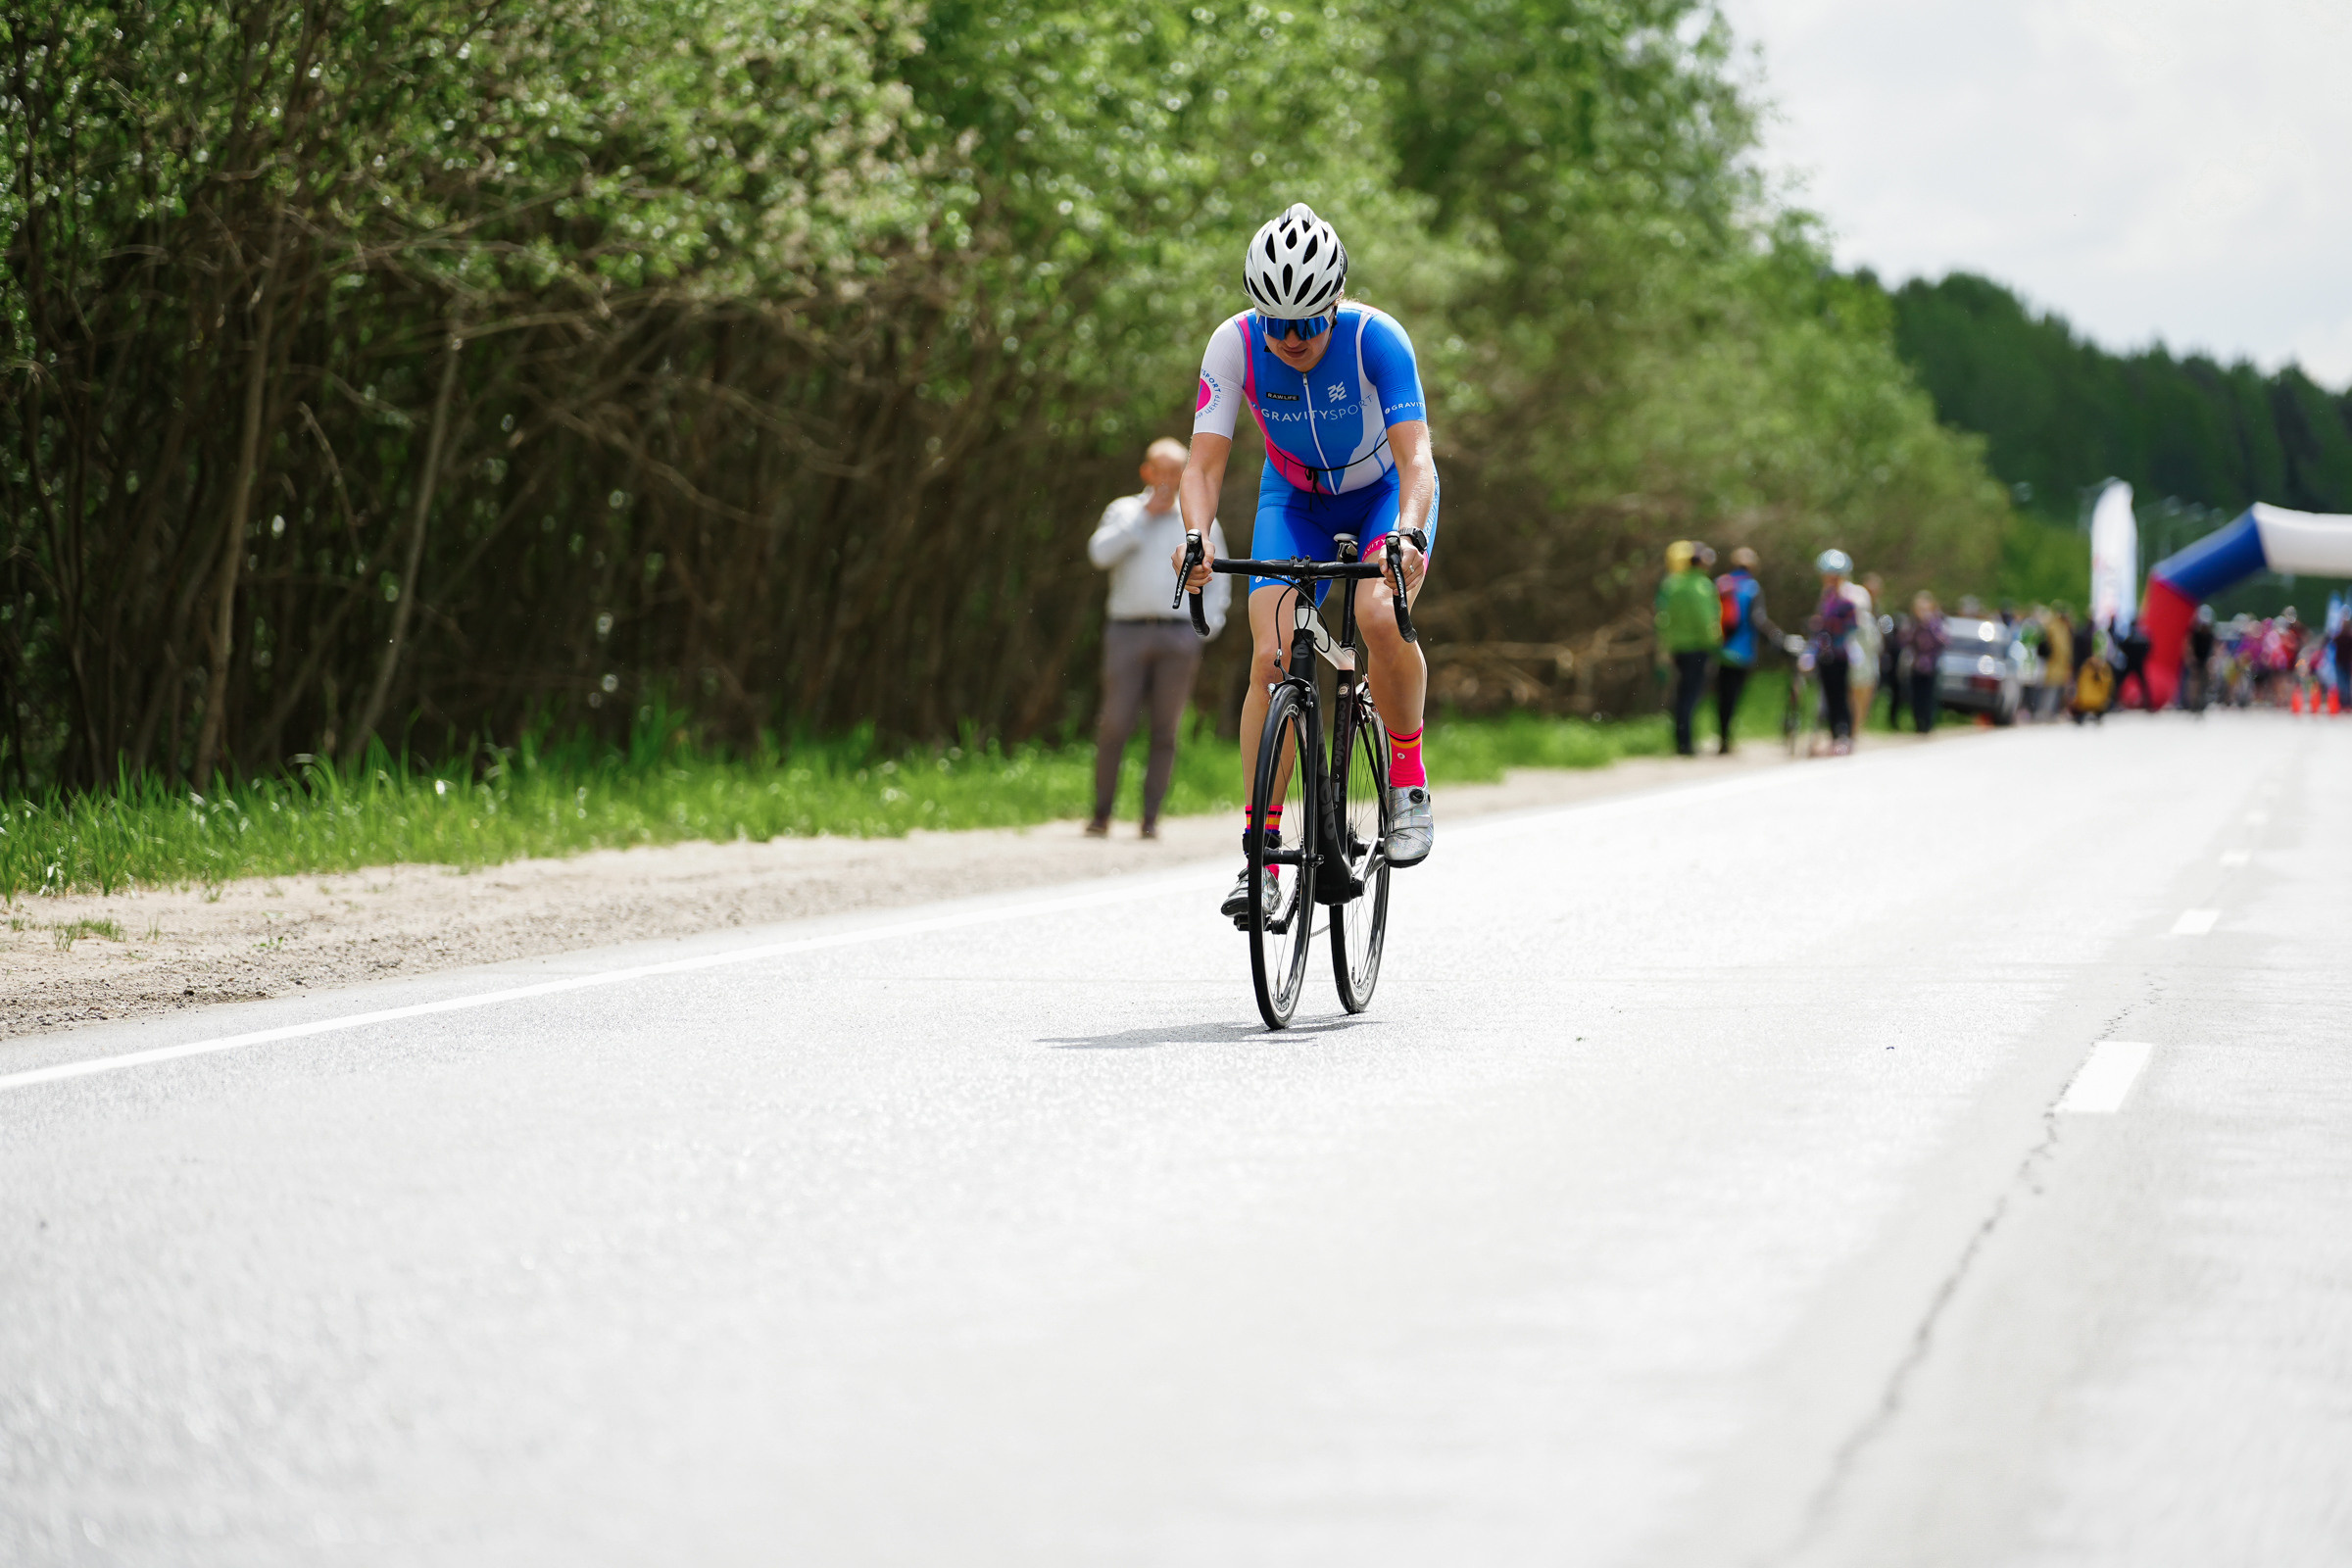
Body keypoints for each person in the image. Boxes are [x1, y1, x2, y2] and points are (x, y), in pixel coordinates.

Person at [1176, 204, 1441, 923]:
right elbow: (1202, 466)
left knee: (1377, 614)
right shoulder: (1232, 344)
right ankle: (1261, 857)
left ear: (1335, 304)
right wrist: (1197, 537)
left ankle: (1407, 781)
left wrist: (1408, 535)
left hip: (1384, 496)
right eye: (1276, 323)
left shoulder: (1376, 338)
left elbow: (1417, 458)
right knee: (1270, 655)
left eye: (1307, 323)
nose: (1290, 338)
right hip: (1293, 500)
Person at [1085, 438, 1231, 839]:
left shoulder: (1199, 521)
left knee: (1166, 729)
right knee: (1114, 723)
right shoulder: (1123, 510)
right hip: (1126, 631)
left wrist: (1209, 624)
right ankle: (1101, 814)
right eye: (1160, 471)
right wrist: (1143, 517)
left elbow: (1220, 578)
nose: (1167, 480)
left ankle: (1150, 819)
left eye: (1175, 472)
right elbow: (1099, 555)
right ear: (1146, 472)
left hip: (1179, 634)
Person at [1655, 540, 1721, 757]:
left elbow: (1663, 618)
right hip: (1698, 647)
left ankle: (1681, 741)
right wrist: (1714, 643)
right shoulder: (1702, 586)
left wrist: (1667, 644)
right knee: (1692, 695)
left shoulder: (1673, 585)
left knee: (1682, 693)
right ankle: (1687, 744)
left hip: (1678, 647)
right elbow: (1705, 621)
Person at [1713, 546, 1777, 754]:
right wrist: (1776, 638)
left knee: (1722, 695)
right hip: (1742, 651)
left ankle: (1722, 736)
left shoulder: (1721, 583)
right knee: (1734, 694)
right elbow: (1758, 619)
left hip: (1720, 650)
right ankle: (1727, 738)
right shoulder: (1752, 587)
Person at [1810, 549, 1861, 754]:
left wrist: (1833, 629)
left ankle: (1844, 735)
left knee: (1841, 696)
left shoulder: (1847, 601)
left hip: (1840, 655)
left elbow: (1852, 626)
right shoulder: (1825, 599)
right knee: (1829, 697)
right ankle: (1834, 736)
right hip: (1825, 655)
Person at [1902, 592, 1945, 733]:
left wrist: (1929, 626)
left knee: (1929, 695)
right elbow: (1905, 640)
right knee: (1916, 696)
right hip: (1916, 664)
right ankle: (1918, 723)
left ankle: (1928, 723)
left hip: (1931, 665)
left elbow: (1943, 641)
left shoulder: (1936, 623)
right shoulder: (1913, 623)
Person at [2185, 604, 2217, 713]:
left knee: (2207, 679)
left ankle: (2205, 699)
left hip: (2205, 660)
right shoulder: (2195, 634)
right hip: (2196, 660)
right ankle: (2193, 703)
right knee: (2194, 681)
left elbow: (2213, 649)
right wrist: (2191, 658)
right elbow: (2189, 646)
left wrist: (2212, 660)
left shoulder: (2210, 634)